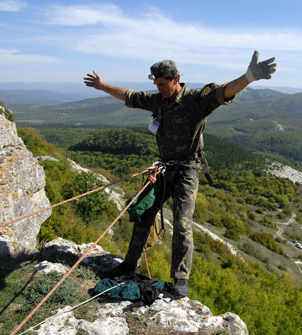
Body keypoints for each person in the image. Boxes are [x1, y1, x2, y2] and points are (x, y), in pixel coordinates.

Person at [83, 51, 276, 297]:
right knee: (144, 213)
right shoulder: (158, 100)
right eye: (156, 85)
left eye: (162, 84)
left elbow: (224, 92)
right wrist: (102, 86)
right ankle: (129, 265)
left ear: (175, 79)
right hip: (164, 167)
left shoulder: (197, 100)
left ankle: (180, 279)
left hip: (188, 167)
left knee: (182, 221)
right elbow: (130, 95)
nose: (159, 89)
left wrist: (248, 76)